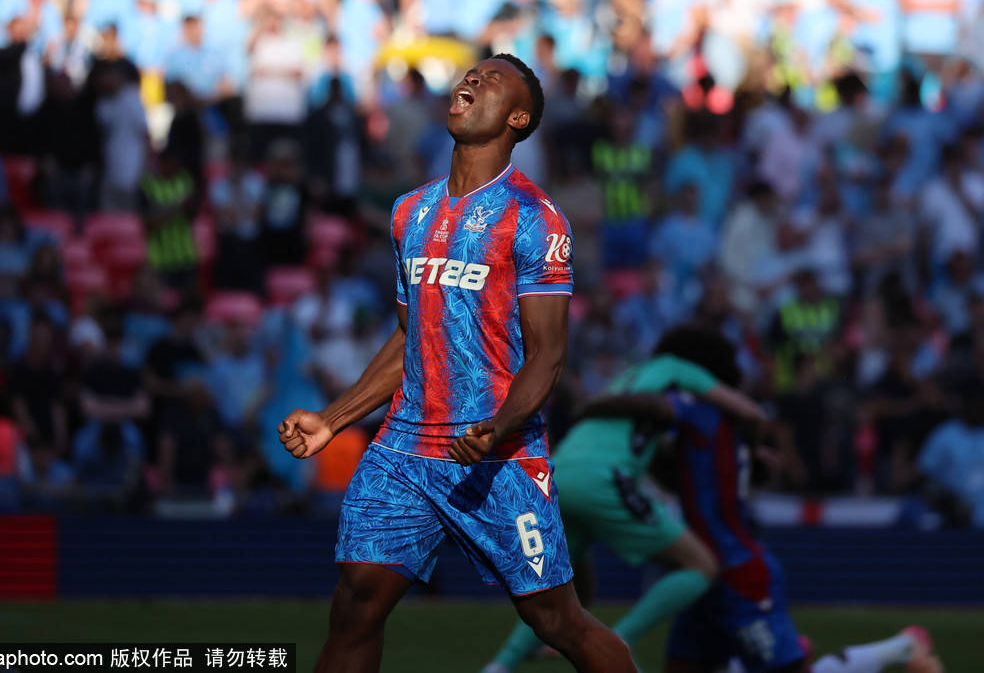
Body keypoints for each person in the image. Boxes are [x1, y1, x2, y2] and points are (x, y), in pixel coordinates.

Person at [277, 54, 635, 673]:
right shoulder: (408, 212)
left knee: (556, 621)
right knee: (357, 603)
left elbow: (548, 356)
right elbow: (411, 338)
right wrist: (333, 420)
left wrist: (499, 426)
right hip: (404, 449)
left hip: (496, 454)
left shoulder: (535, 218)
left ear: (518, 118)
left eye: (492, 79)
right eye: (471, 73)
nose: (471, 79)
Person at [583, 327, 941, 673]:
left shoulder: (695, 409)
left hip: (738, 573)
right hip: (704, 571)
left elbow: (652, 406)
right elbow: (689, 475)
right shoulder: (722, 422)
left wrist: (601, 401)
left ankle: (901, 647)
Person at [483, 325, 768, 673]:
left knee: (562, 595)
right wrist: (751, 450)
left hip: (558, 474)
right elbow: (750, 413)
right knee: (700, 566)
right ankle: (618, 641)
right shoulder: (681, 369)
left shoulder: (632, 376)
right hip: (603, 478)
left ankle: (500, 665)